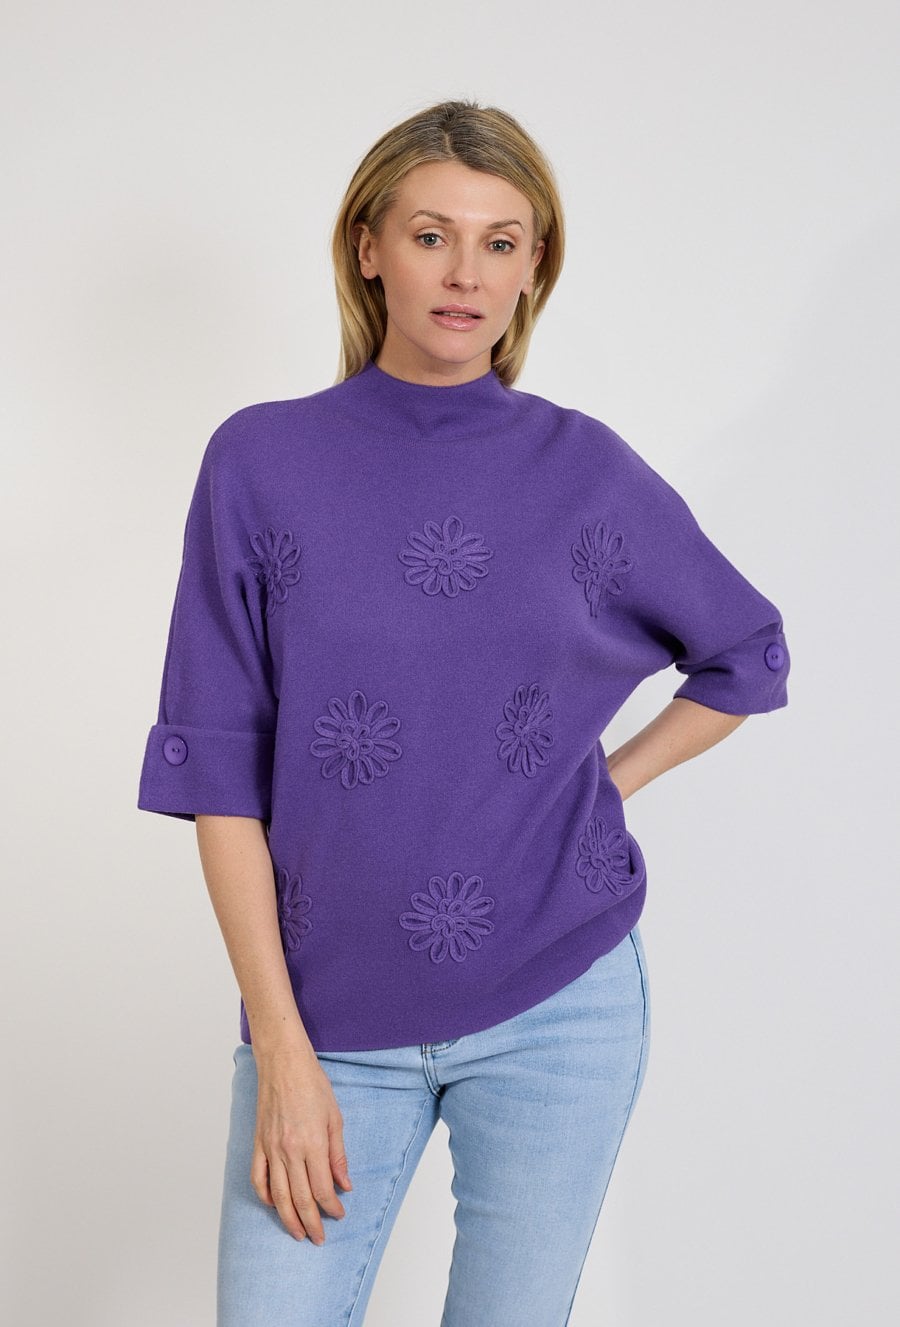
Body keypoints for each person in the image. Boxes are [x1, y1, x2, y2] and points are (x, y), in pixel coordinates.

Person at [137, 99, 791, 1326]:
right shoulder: (261, 462)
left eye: (502, 242)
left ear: (535, 266)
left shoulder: (582, 469)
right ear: (369, 247)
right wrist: (279, 1046)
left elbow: (745, 654)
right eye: (432, 234)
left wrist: (606, 782)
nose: (466, 273)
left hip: (561, 1002)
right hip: (324, 1015)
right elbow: (218, 773)